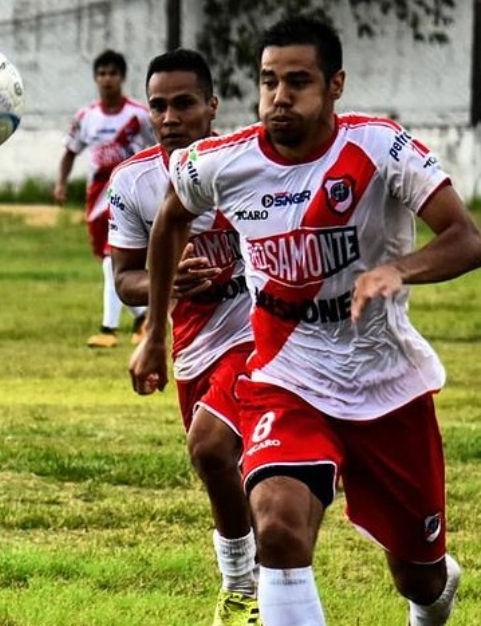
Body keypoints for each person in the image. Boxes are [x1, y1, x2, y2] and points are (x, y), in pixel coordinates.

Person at [134, 15, 480, 626]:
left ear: (335, 85)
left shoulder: (379, 147)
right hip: (286, 380)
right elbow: (170, 218)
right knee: (278, 526)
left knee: (419, 578)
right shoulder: (220, 161)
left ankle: (430, 592)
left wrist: (398, 270)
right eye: (269, 81)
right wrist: (152, 333)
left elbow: (465, 237)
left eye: (298, 82)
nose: (279, 97)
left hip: (386, 388)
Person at [107, 49, 258, 625]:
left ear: (212, 106)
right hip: (195, 341)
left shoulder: (250, 164)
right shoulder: (134, 181)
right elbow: (125, 279)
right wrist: (165, 289)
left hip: (261, 332)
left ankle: (241, 588)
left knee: (210, 448)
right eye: (159, 106)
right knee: (226, 469)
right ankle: (269, 577)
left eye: (185, 104)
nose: (170, 118)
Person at [54, 49, 154, 348]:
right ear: (96, 78)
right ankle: (143, 317)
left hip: (130, 195)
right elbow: (70, 152)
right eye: (102, 73)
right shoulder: (87, 117)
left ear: (122, 77)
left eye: (113, 73)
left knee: (113, 259)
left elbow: (161, 149)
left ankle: (109, 329)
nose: (107, 79)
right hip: (97, 196)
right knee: (108, 261)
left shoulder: (139, 115)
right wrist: (61, 184)